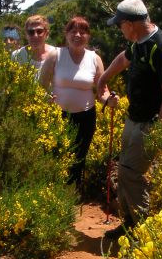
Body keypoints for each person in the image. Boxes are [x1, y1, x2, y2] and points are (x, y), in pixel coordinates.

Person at [96, 0, 162, 242]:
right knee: (123, 172)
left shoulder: (159, 45)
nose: (120, 30)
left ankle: (145, 235)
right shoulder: (138, 42)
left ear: (130, 23)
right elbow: (125, 57)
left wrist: (160, 132)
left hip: (149, 123)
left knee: (131, 173)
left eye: (120, 25)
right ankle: (130, 224)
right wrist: (105, 78)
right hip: (134, 118)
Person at [39, 16, 110, 188]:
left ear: (88, 36)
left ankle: (73, 193)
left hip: (86, 116)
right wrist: (45, 98)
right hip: (58, 115)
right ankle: (54, 191)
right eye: (73, 31)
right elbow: (41, 85)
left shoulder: (95, 59)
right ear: (66, 34)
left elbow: (102, 89)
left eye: (83, 32)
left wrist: (109, 100)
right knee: (56, 154)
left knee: (79, 156)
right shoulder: (55, 55)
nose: (78, 35)